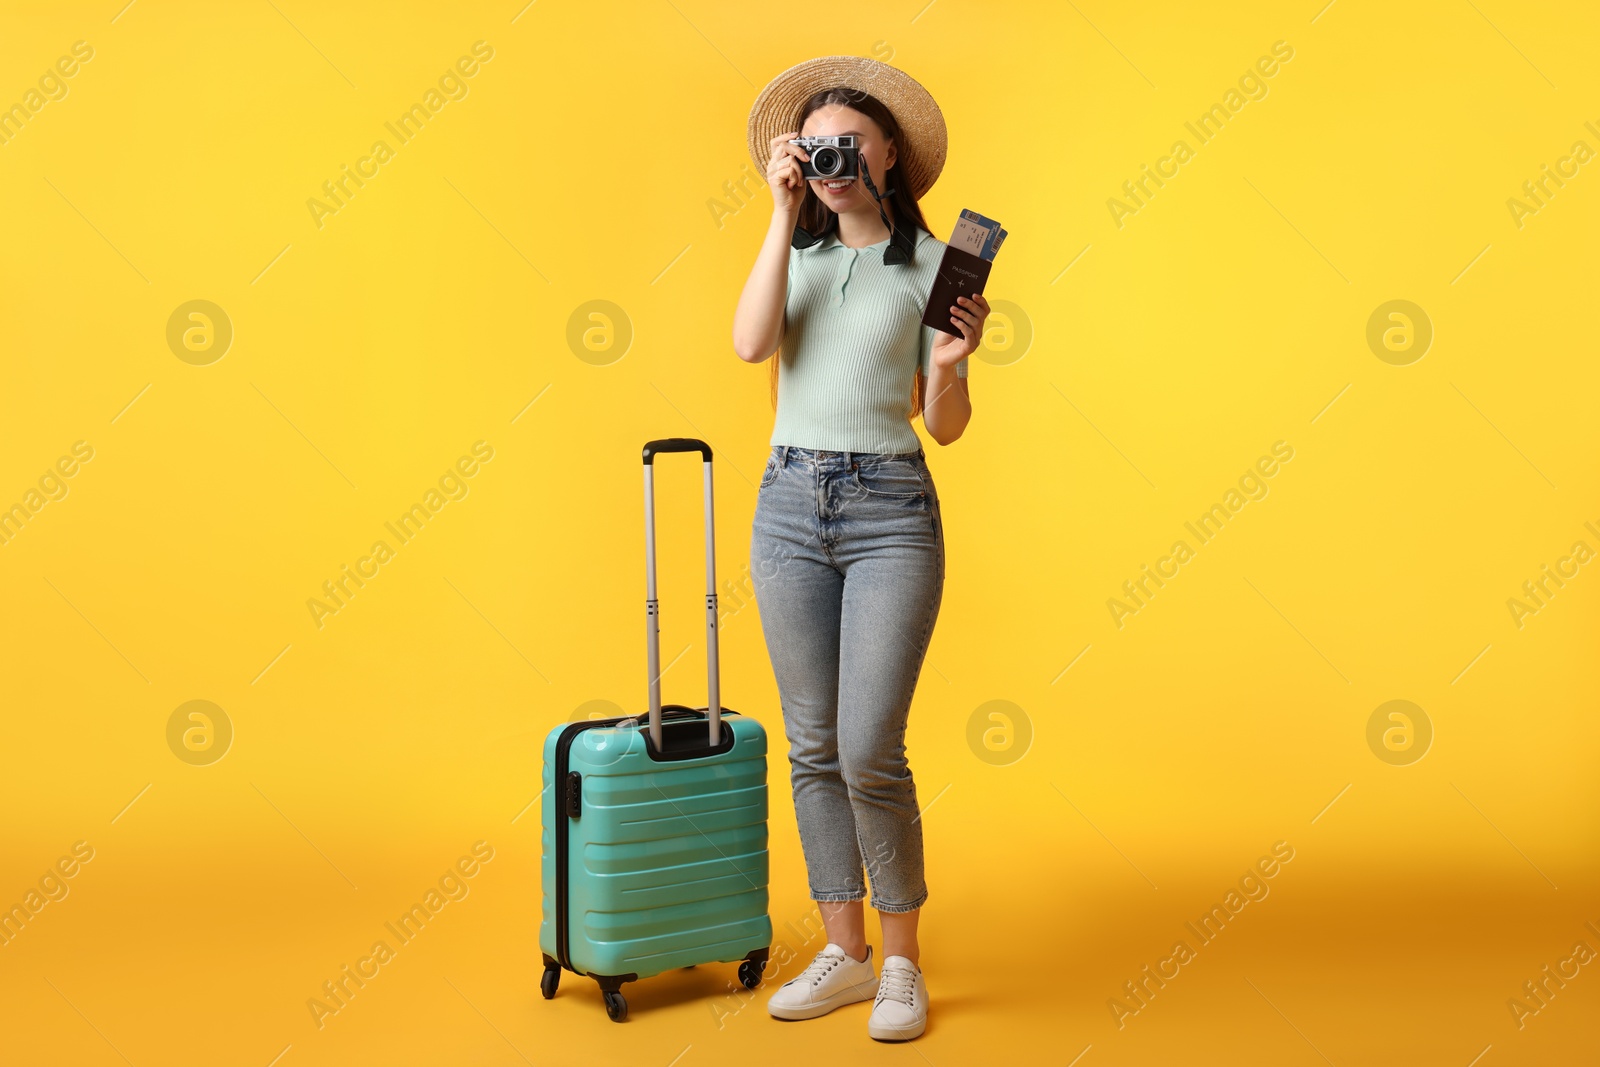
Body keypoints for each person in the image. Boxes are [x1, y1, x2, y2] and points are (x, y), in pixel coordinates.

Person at [732, 55, 989, 1042]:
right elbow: (751, 346)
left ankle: (900, 965)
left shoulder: (936, 267)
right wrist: (777, 210)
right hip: (788, 502)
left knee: (867, 746)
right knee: (808, 743)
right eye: (817, 144)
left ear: (889, 152)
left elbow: (947, 424)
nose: (836, 156)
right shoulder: (789, 258)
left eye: (850, 140)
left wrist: (951, 364)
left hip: (889, 507)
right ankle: (842, 952)